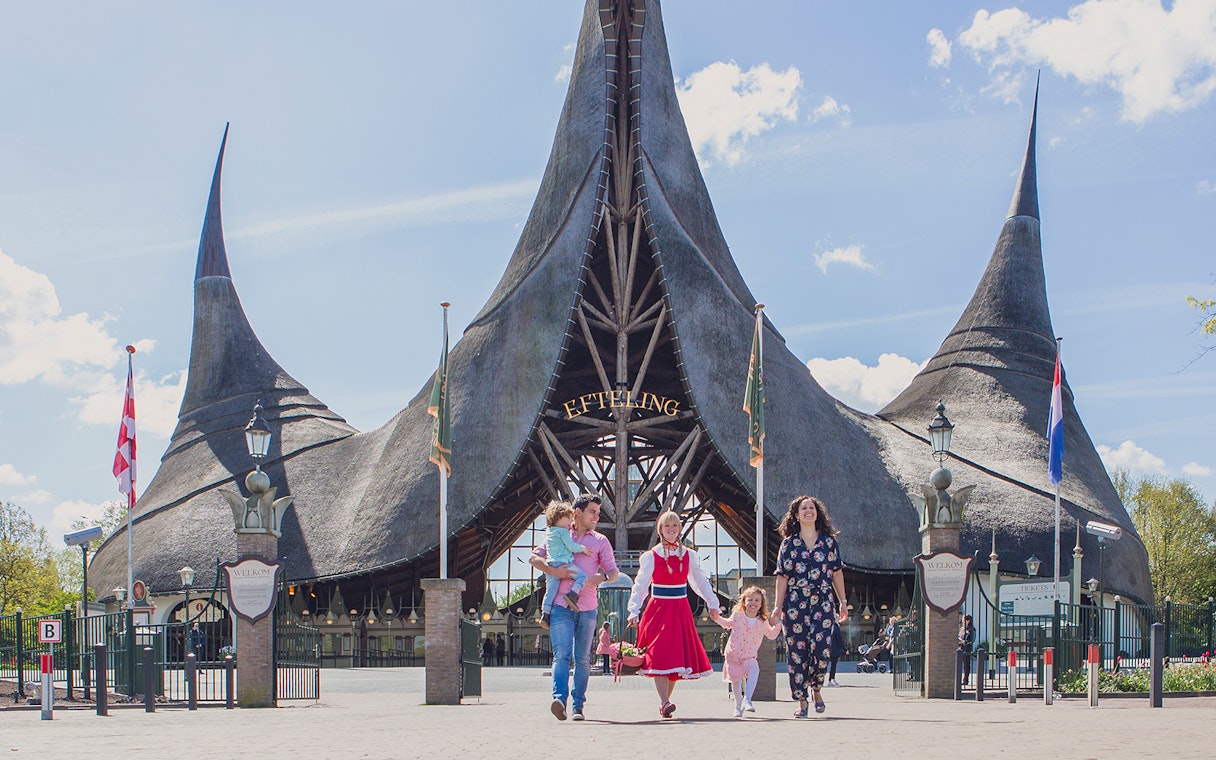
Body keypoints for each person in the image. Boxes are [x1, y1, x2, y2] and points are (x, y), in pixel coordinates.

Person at [529, 494, 619, 722]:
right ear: (578, 512)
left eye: (598, 513)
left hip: (587, 608)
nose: (597, 517)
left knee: (583, 659)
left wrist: (602, 577)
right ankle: (559, 699)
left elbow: (613, 571)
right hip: (561, 606)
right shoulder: (558, 533)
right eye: (593, 512)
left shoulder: (600, 541)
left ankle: (578, 706)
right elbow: (534, 558)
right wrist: (554, 572)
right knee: (561, 655)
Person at [627, 509, 722, 719]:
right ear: (660, 530)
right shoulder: (651, 556)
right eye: (667, 526)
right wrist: (633, 610)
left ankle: (664, 703)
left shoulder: (689, 554)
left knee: (675, 657)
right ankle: (665, 701)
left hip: (680, 609)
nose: (671, 529)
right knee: (660, 654)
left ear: (679, 529)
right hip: (658, 609)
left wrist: (713, 603)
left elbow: (700, 583)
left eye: (674, 525)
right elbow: (640, 585)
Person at [772, 495, 847, 718]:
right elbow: (782, 577)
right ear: (796, 515)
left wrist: (842, 601)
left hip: (822, 601)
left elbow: (836, 572)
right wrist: (777, 607)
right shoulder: (788, 544)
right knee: (797, 652)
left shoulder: (828, 542)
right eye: (803, 508)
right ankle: (802, 700)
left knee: (821, 649)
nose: (808, 511)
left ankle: (816, 689)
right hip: (795, 602)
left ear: (817, 513)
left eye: (811, 507)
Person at [714, 585, 780, 717]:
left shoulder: (762, 621)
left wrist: (778, 624)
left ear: (761, 604)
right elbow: (727, 624)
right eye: (750, 600)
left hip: (749, 656)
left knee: (754, 670)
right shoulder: (738, 615)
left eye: (757, 600)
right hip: (733, 655)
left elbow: (771, 634)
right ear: (744, 602)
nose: (753, 603)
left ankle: (747, 700)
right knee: (736, 682)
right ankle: (738, 707)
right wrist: (717, 617)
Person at [537, 500, 594, 628]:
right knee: (582, 577)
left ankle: (545, 614)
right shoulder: (563, 532)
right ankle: (573, 594)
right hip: (563, 563)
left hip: (551, 564)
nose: (570, 522)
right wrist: (583, 549)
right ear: (559, 517)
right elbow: (570, 546)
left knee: (551, 590)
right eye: (568, 518)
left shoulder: (550, 532)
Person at [958, 613, 976, 685]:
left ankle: (965, 680)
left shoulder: (972, 629)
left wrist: (964, 642)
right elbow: (959, 636)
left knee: (966, 664)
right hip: (960, 648)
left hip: (967, 648)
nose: (962, 621)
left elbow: (972, 639)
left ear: (968, 621)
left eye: (964, 620)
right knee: (959, 664)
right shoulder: (961, 628)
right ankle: (958, 679)